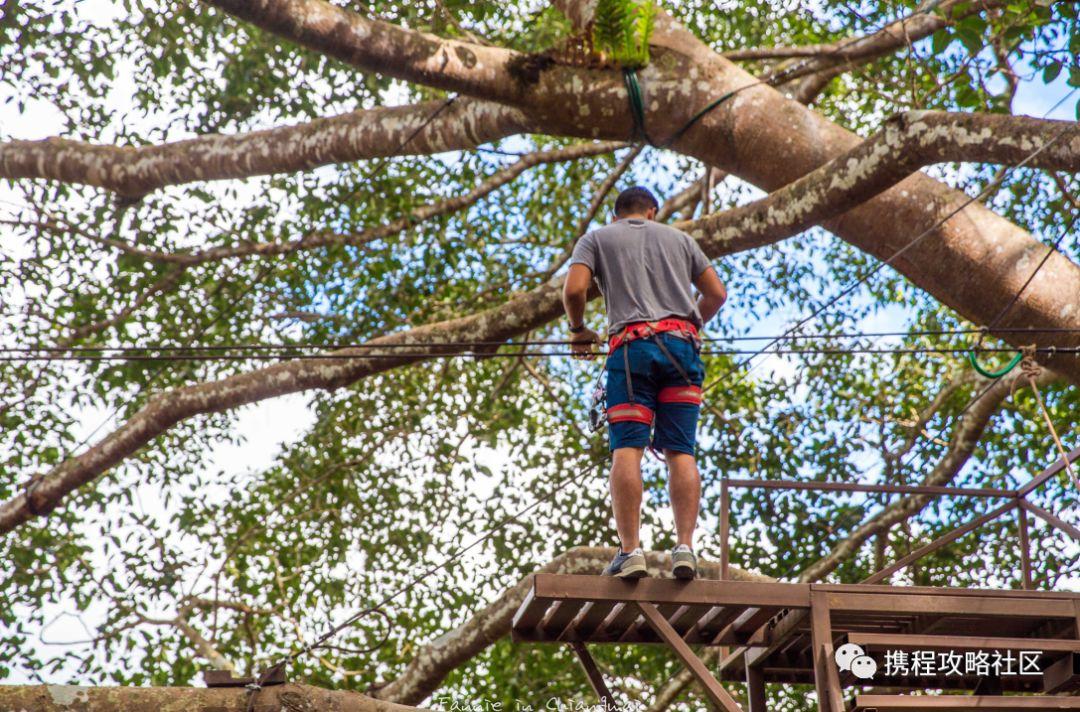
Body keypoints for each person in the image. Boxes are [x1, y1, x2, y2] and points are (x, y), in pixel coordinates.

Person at [562, 186, 727, 579]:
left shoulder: (597, 238)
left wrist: (579, 330)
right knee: (680, 450)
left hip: (631, 351)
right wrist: (691, 325)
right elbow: (716, 294)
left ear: (616, 214)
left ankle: (631, 552)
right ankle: (685, 548)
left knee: (628, 448)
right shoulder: (681, 239)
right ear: (651, 211)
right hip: (682, 352)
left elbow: (573, 290)